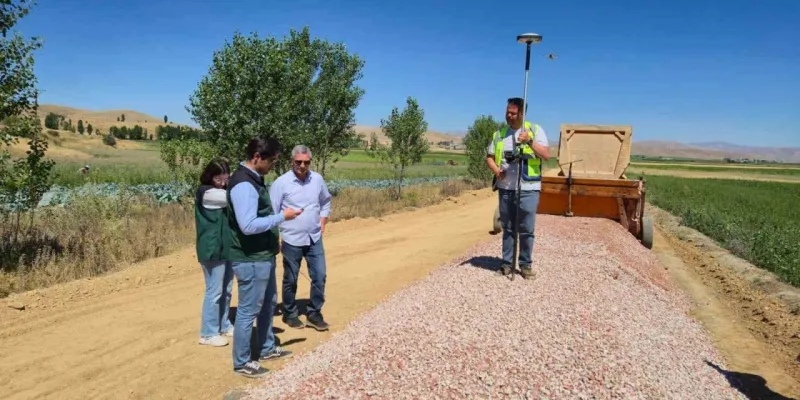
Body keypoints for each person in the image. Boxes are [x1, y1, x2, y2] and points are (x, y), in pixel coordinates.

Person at [226, 137, 303, 378]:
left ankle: (267, 347)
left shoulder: (253, 179)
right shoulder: (243, 184)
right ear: (257, 157)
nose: (272, 166)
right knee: (248, 310)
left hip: (262, 254)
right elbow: (248, 225)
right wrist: (282, 217)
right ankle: (242, 362)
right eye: (271, 161)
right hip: (250, 258)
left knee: (268, 303)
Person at [485, 97, 550, 280]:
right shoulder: (499, 134)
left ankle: (525, 265)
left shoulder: (535, 130)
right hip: (506, 188)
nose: (509, 116)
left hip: (529, 187)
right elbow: (489, 157)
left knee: (526, 228)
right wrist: (497, 171)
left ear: (522, 114)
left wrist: (529, 141)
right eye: (507, 112)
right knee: (508, 228)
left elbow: (546, 155)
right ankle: (507, 264)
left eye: (513, 113)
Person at [270, 145, 332, 332]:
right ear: (292, 161)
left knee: (320, 276)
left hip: (314, 237)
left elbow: (325, 201)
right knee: (290, 279)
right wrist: (275, 237)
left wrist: (323, 221)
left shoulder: (317, 179)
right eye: (298, 162)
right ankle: (290, 313)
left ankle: (314, 313)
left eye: (306, 162)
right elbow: (272, 212)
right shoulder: (281, 183)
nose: (302, 166)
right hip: (291, 239)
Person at [195, 159, 234, 347]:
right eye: (218, 179)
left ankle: (224, 325)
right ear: (210, 176)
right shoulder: (207, 193)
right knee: (215, 291)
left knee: (226, 290)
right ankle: (208, 333)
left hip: (225, 247)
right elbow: (234, 198)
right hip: (212, 248)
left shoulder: (221, 189)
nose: (222, 183)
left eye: (225, 179)